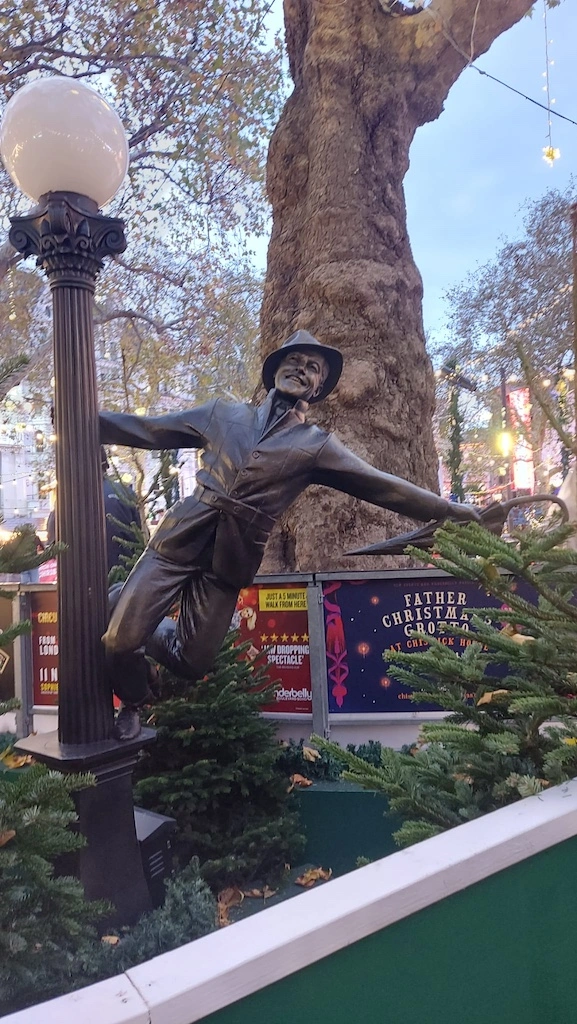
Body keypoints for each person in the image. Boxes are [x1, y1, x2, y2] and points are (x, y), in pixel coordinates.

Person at [100, 330, 479, 739]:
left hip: (229, 560)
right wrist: (88, 422)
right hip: (179, 540)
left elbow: (384, 486)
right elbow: (150, 430)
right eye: (294, 360)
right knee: (120, 641)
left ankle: (125, 602)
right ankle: (134, 700)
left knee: (192, 662)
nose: (301, 368)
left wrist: (454, 511)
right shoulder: (222, 415)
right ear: (273, 370)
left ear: (317, 389)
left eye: (312, 368)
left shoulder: (315, 445)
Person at [47, 448, 141, 574]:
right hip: (123, 579)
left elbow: (54, 547)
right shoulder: (126, 493)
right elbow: (139, 538)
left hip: (80, 580)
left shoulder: (66, 498)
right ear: (105, 466)